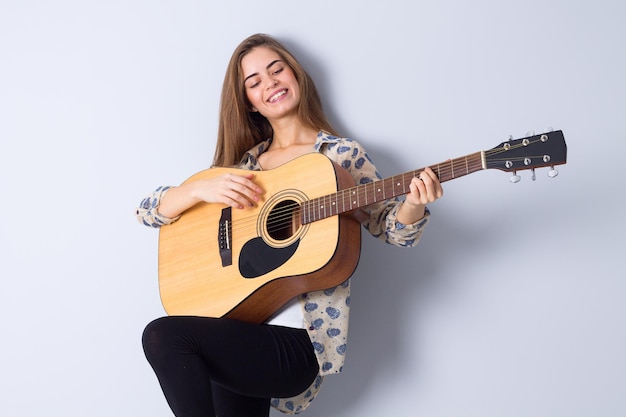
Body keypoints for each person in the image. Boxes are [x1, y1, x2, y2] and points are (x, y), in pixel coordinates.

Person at [136, 33, 443, 417]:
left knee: (164, 335)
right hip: (237, 325)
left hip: (296, 343)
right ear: (248, 102)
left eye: (276, 69)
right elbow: (148, 211)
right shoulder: (242, 169)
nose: (270, 83)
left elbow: (392, 229)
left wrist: (414, 203)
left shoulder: (340, 156)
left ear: (295, 74)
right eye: (254, 81)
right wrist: (198, 187)